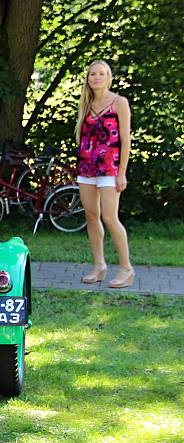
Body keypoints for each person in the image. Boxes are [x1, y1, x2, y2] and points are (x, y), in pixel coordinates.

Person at [75, 60, 134, 288]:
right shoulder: (86, 104)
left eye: (101, 74)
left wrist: (122, 173)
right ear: (88, 79)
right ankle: (99, 266)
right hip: (87, 169)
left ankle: (126, 268)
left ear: (108, 77)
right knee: (91, 216)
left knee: (110, 218)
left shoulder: (119, 102)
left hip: (110, 169)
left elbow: (125, 140)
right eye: (92, 74)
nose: (96, 77)